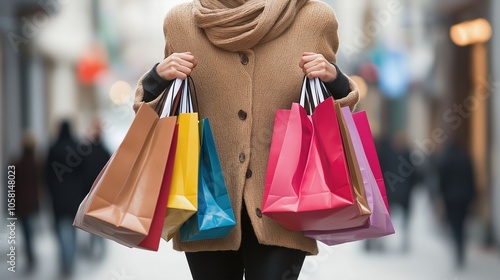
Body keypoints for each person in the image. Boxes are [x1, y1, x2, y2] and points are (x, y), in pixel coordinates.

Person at [133, 1, 359, 279]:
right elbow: (160, 117)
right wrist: (157, 78)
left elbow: (332, 117)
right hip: (205, 203)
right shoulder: (181, 22)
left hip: (287, 206)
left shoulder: (314, 18)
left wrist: (334, 79)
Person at [45, 120, 85, 276]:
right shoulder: (78, 148)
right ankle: (70, 259)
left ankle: (65, 259)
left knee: (61, 229)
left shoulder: (53, 148)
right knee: (73, 230)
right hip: (75, 197)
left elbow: (47, 175)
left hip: (58, 196)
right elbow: (83, 173)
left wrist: (49, 191)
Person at [437, 140, 476, 268]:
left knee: (454, 225)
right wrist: (472, 196)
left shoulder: (445, 160)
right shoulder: (465, 158)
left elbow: (442, 181)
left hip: (450, 198)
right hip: (464, 197)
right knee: (462, 224)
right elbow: (471, 178)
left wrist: (441, 197)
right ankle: (460, 249)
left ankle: (458, 250)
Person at [10, 133, 42, 272]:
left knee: (27, 231)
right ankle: (30, 255)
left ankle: (30, 255)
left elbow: (11, 186)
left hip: (21, 204)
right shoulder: (37, 163)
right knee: (30, 231)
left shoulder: (16, 163)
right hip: (31, 204)